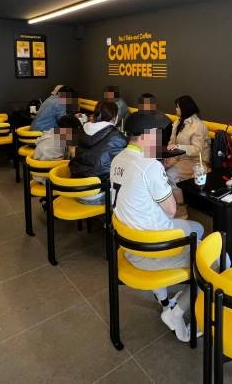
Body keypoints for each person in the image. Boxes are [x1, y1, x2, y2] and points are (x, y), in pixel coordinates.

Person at [111, 120, 211, 343]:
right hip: (150, 251)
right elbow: (171, 210)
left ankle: (165, 299)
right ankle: (175, 314)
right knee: (216, 260)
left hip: (129, 243)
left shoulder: (118, 159)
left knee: (197, 228)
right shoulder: (149, 165)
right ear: (147, 136)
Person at [69, 100, 127, 204]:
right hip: (97, 194)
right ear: (115, 117)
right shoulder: (118, 138)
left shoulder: (82, 130)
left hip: (74, 189)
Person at [165, 95, 210, 219]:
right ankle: (169, 204)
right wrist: (169, 156)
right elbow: (172, 142)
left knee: (171, 174)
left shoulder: (198, 125)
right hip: (180, 158)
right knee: (159, 167)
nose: (176, 109)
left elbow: (197, 149)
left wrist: (178, 147)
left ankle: (181, 208)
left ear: (184, 108)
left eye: (177, 107)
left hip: (196, 161)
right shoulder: (178, 122)